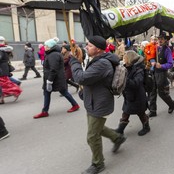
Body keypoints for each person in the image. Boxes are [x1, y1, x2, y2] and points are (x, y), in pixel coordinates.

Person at [70, 35, 126, 174]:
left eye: (89, 45)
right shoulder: (98, 59)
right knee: (97, 129)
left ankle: (98, 164)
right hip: (93, 101)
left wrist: (74, 62)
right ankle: (117, 137)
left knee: (92, 136)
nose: (86, 47)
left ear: (99, 49)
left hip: (100, 103)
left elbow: (81, 78)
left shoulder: (102, 63)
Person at [33, 37, 80, 119]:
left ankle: (75, 105)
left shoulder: (53, 55)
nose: (44, 47)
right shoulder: (51, 53)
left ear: (50, 46)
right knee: (47, 93)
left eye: (46, 45)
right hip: (53, 78)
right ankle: (45, 111)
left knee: (64, 92)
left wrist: (49, 81)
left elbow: (53, 69)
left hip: (55, 79)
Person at [115, 50, 150, 136]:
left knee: (141, 113)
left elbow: (136, 83)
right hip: (129, 95)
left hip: (138, 96)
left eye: (125, 58)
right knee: (126, 112)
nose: (123, 59)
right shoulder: (126, 67)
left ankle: (146, 127)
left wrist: (125, 79)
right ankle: (120, 129)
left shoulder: (139, 69)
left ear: (129, 59)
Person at [148, 32, 174, 117]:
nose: (160, 40)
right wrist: (152, 62)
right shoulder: (156, 48)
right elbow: (151, 57)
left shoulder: (167, 50)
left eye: (162, 39)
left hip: (162, 74)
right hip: (153, 72)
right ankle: (153, 111)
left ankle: (171, 104)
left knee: (162, 93)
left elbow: (170, 63)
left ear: (166, 40)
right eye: (159, 38)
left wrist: (162, 66)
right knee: (152, 92)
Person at [0, 36, 22, 104]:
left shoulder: (1, 50)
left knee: (4, 83)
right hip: (3, 68)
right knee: (4, 83)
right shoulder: (4, 49)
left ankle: (15, 91)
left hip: (1, 69)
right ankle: (2, 98)